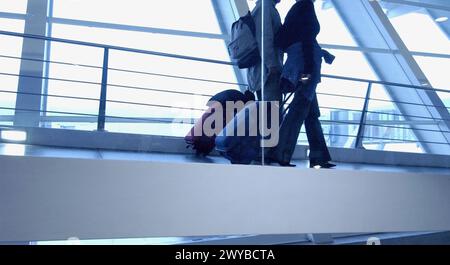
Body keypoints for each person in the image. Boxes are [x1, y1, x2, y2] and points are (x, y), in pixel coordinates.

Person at [269, 0, 335, 168]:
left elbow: (297, 40)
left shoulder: (297, 8)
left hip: (300, 67)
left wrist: (321, 53)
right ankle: (281, 154)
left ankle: (319, 157)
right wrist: (309, 71)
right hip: (306, 70)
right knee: (299, 109)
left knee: (311, 113)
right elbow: (305, 41)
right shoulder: (306, 6)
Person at [247, 0, 283, 105]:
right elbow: (264, 39)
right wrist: (272, 65)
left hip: (264, 70)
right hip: (266, 72)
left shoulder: (265, 7)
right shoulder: (265, 7)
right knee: (271, 113)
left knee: (270, 113)